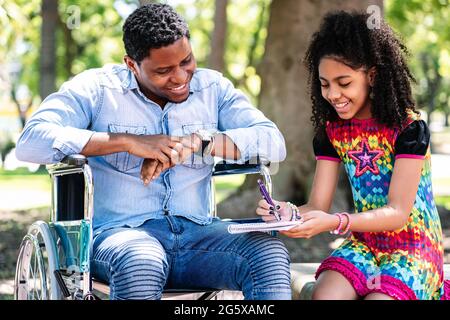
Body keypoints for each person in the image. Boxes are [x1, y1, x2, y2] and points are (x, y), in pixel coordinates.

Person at [16, 3, 292, 300]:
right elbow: (31, 141)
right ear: (132, 64)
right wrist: (125, 141)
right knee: (142, 258)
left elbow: (272, 141)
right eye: (163, 70)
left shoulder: (213, 89)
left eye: (186, 60)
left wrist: (201, 141)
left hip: (198, 235)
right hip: (120, 237)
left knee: (267, 253)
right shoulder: (97, 89)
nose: (180, 76)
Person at [256, 11, 449, 300]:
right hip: (365, 246)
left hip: (413, 249)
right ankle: (307, 288)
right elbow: (318, 204)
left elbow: (397, 214)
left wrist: (335, 222)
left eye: (343, 83)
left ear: (371, 76)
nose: (333, 94)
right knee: (325, 296)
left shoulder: (408, 129)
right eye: (324, 84)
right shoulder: (331, 132)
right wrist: (289, 214)